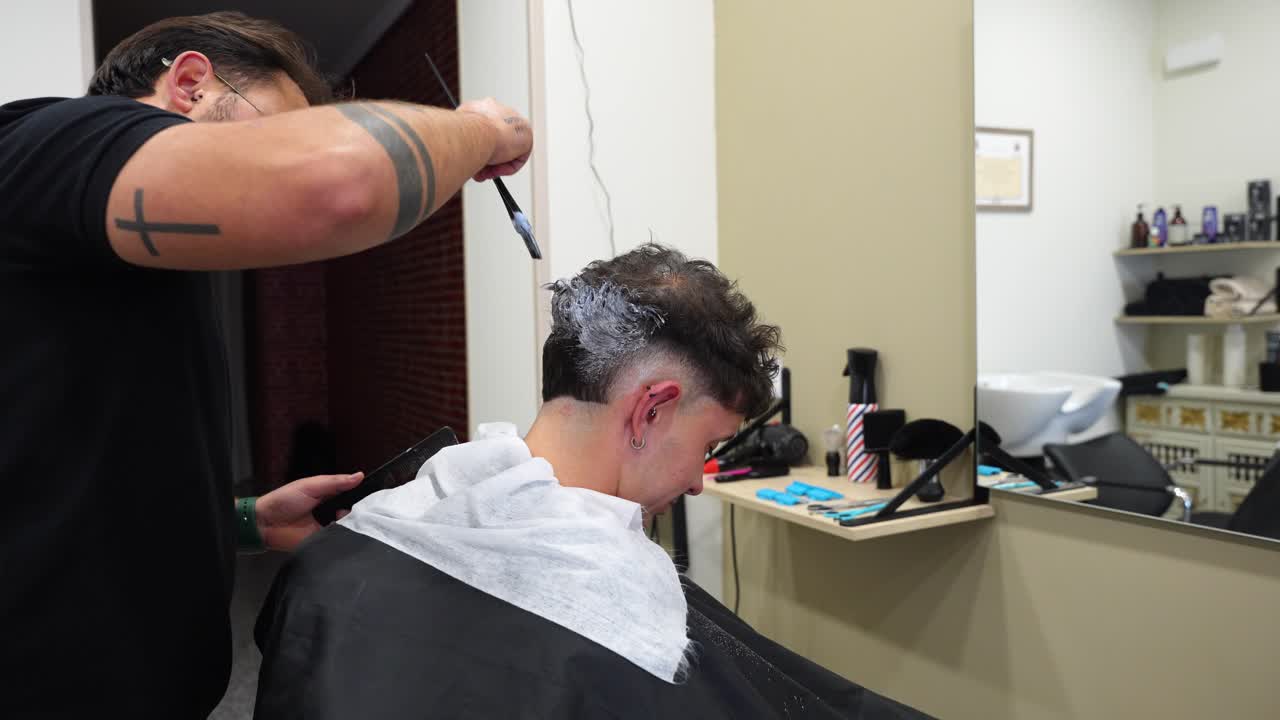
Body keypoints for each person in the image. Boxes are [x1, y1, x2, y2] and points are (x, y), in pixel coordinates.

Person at [0, 11, 532, 717]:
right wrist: (485, 130)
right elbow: (340, 185)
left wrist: (244, 520)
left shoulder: (135, 252)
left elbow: (69, 463)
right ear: (190, 83)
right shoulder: (46, 142)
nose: (271, 159)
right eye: (271, 130)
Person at [253, 245, 927, 719]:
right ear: (651, 408)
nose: (698, 482)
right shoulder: (615, 640)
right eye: (709, 445)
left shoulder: (348, 544)